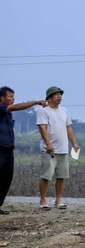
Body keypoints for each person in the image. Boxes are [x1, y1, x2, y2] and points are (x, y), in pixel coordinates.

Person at [0, 87, 47, 215]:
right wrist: (35, 102)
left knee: (6, 178)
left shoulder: (8, 114)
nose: (13, 99)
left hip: (8, 149)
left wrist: (12, 141)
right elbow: (15, 107)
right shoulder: (2, 108)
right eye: (10, 97)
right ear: (2, 98)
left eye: (13, 97)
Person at [37, 86, 79, 210]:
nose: (59, 96)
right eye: (56, 94)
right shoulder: (43, 111)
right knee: (46, 175)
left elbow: (68, 128)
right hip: (49, 149)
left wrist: (74, 143)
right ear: (49, 97)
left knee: (61, 176)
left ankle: (58, 200)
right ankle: (43, 200)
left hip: (63, 149)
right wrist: (48, 144)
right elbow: (42, 128)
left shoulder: (64, 110)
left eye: (60, 94)